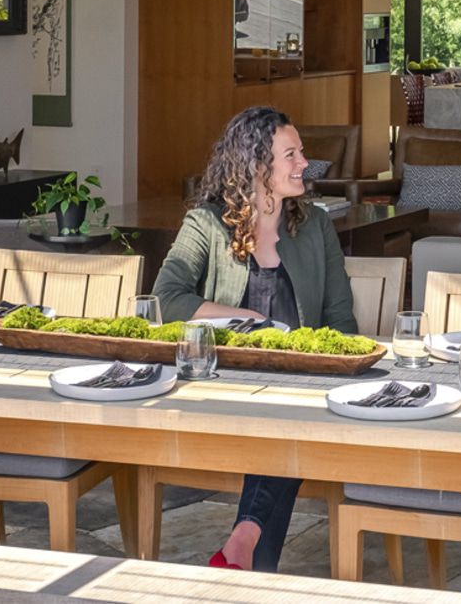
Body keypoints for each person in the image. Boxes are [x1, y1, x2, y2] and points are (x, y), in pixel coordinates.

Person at [153, 106, 357, 573]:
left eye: (300, 153)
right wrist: (244, 318)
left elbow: (342, 322)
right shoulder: (206, 224)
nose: (305, 163)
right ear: (256, 166)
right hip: (223, 386)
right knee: (286, 428)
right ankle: (245, 558)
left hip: (300, 389)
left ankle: (242, 548)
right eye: (291, 154)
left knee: (292, 422)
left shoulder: (316, 226)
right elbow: (166, 298)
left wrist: (335, 373)